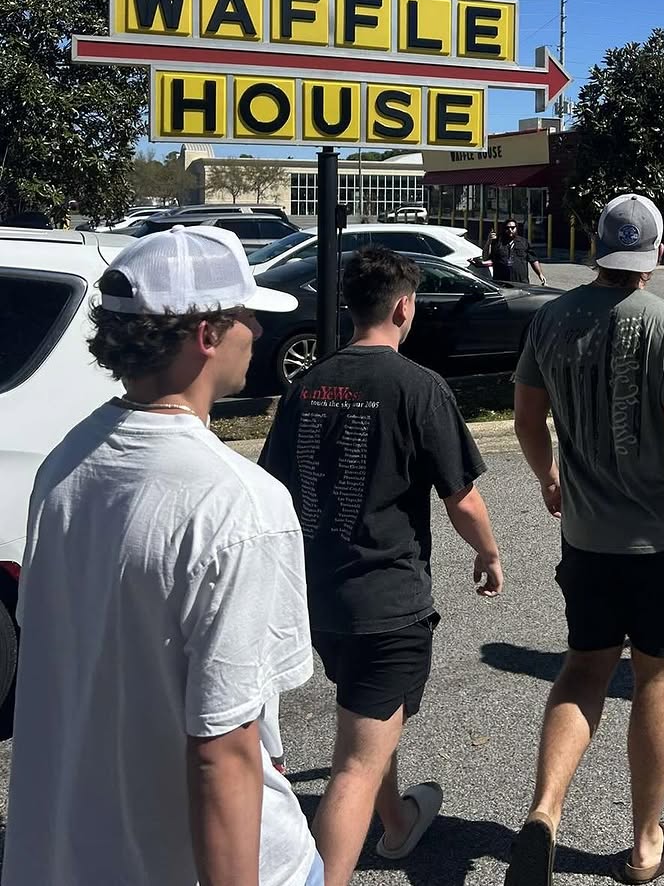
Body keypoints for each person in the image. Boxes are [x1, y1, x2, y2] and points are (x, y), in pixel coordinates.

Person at [2, 226, 322, 886]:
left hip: (81, 856)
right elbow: (224, 751)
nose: (258, 333)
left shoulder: (66, 463)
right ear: (206, 334)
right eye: (247, 316)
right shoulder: (238, 504)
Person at [506, 193, 664, 886]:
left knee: (583, 671)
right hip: (657, 542)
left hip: (585, 540)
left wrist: (549, 476)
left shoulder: (550, 318)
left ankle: (545, 812)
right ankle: (644, 844)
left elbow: (526, 418)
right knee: (656, 678)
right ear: (655, 254)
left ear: (597, 249)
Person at [260, 247, 504, 886]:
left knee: (367, 720)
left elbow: (272, 489)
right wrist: (487, 552)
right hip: (387, 604)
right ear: (404, 307)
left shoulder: (306, 386)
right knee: (354, 765)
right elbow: (462, 497)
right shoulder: (418, 386)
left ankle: (396, 823)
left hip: (319, 600)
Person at [485, 217, 547, 286]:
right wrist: (489, 242)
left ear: (516, 228)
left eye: (512, 227)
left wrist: (540, 274)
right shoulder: (497, 243)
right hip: (501, 283)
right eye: (507, 228)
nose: (510, 230)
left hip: (521, 283)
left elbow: (533, 260)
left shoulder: (523, 242)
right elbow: (485, 257)